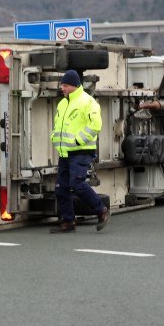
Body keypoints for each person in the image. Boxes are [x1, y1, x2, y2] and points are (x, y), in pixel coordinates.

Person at [50, 69, 111, 233]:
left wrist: (78, 140)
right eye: (61, 85)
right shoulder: (63, 103)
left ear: (75, 86)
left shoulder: (88, 102)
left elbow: (95, 125)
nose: (62, 88)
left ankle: (102, 211)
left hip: (82, 151)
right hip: (65, 152)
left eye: (65, 85)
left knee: (76, 184)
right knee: (60, 187)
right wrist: (54, 137)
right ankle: (68, 221)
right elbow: (58, 126)